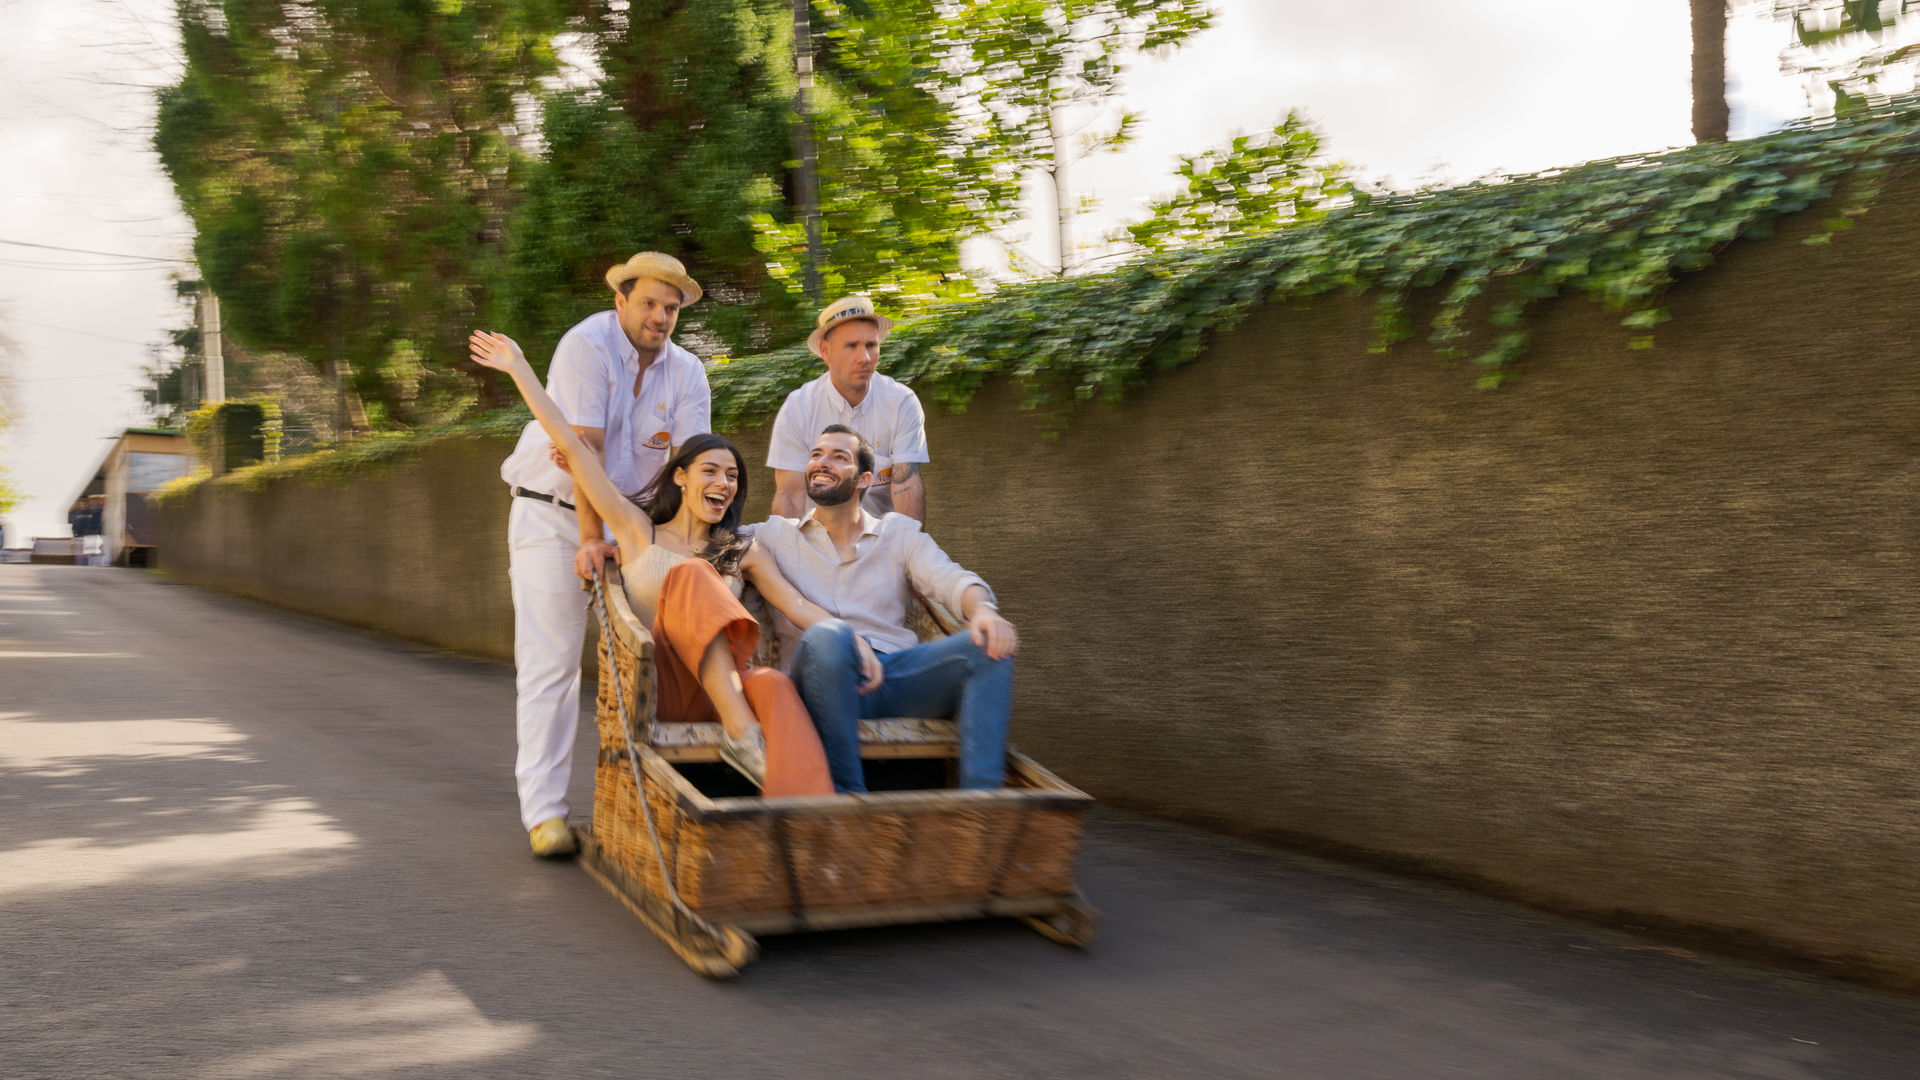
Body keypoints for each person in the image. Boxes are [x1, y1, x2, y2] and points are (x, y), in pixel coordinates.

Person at [473, 331, 840, 823]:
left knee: (772, 681)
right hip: (661, 686)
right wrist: (519, 368)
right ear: (681, 476)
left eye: (733, 477)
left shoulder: (739, 550)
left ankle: (813, 824)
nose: (724, 484)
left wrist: (849, 639)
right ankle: (742, 734)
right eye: (711, 470)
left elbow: (797, 607)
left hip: (721, 694)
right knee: (691, 575)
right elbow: (574, 446)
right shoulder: (637, 530)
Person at [496, 252, 715, 857]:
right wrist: (592, 540)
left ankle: (655, 807)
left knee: (657, 663)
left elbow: (687, 467)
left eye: (671, 308)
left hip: (635, 527)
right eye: (649, 303)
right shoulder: (584, 345)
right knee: (554, 664)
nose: (661, 316)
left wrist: (674, 545)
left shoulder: (689, 373)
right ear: (620, 299)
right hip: (553, 514)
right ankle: (545, 816)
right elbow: (582, 451)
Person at [756, 425, 1020, 794]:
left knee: (988, 649)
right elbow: (702, 542)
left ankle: (982, 807)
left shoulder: (898, 534)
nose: (821, 463)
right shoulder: (772, 534)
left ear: (864, 479)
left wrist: (985, 611)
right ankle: (848, 801)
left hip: (892, 678)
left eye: (838, 457)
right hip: (817, 682)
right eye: (816, 454)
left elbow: (952, 579)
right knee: (829, 637)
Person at [767, 296, 929, 522]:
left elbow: (907, 486)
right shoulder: (798, 408)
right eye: (851, 346)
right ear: (825, 352)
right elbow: (790, 495)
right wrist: (791, 552)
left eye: (871, 345)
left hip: (883, 543)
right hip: (815, 544)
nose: (864, 358)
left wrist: (906, 551)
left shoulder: (901, 402)